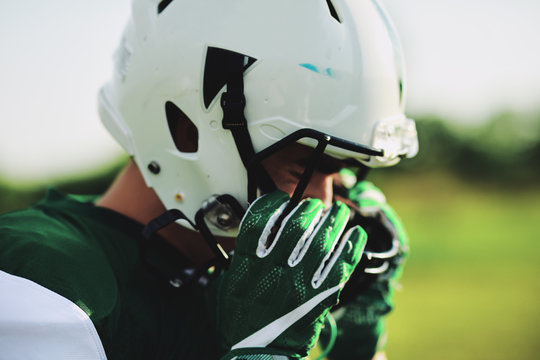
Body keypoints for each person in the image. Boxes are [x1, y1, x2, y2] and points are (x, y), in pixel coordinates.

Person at [0, 0, 418, 359]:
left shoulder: (241, 283)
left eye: (342, 172)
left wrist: (355, 344)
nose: (327, 204)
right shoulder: (41, 288)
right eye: (305, 167)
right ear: (186, 132)